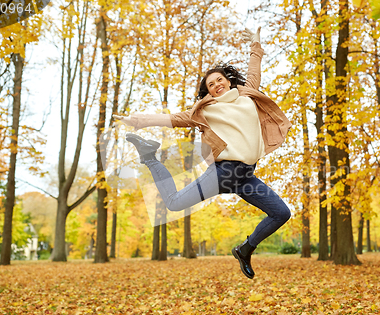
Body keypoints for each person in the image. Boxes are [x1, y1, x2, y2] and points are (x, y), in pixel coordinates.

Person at [115, 27, 292, 279]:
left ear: (228, 80)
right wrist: (138, 120)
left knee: (281, 213)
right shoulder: (206, 111)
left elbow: (254, 70)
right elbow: (172, 118)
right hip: (224, 173)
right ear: (208, 91)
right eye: (211, 84)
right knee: (174, 203)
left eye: (219, 79)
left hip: (246, 177)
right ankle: (149, 157)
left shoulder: (247, 95)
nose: (217, 85)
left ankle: (245, 249)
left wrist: (256, 43)